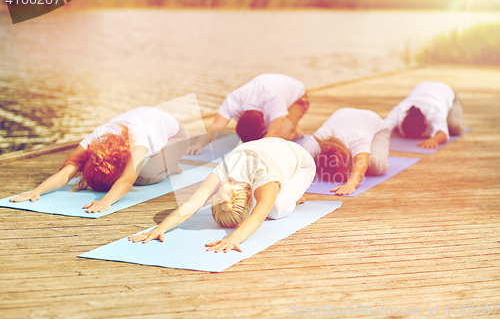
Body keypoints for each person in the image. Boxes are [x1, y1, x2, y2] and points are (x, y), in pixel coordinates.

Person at [129, 137, 316, 253]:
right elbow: (193, 203)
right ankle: (290, 191)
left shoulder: (266, 180)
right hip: (271, 149)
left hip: (302, 164)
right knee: (269, 204)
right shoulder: (225, 170)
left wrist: (233, 238)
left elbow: (258, 216)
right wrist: (160, 229)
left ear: (250, 199)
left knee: (274, 210)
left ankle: (297, 196)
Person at [9, 107, 189, 213]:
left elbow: (126, 180)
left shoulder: (138, 139)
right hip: (150, 132)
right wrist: (37, 191)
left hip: (176, 139)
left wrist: (106, 201)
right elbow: (66, 172)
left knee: (142, 176)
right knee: (136, 169)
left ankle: (172, 168)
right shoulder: (94, 139)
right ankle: (164, 163)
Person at [186, 74, 308, 154]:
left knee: (278, 138)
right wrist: (199, 144)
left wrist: (256, 152)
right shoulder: (234, 100)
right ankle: (282, 119)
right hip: (276, 98)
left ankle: (295, 130)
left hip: (298, 99)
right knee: (270, 134)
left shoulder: (273, 99)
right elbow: (217, 126)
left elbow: (273, 133)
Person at [302, 108, 390, 196]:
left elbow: (362, 161)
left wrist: (350, 184)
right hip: (344, 114)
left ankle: (356, 156)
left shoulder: (357, 139)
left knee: (377, 166)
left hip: (377, 129)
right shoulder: (319, 138)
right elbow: (299, 160)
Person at [384, 81, 465, 148]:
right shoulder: (399, 110)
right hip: (422, 87)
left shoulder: (434, 112)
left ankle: (451, 104)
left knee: (454, 128)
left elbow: (443, 134)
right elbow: (382, 127)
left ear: (426, 122)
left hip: (447, 92)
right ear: (402, 120)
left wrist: (435, 140)